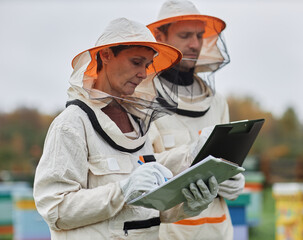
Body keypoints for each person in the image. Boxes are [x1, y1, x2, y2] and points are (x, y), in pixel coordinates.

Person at [33, 17, 221, 240]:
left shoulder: (137, 122)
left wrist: (188, 204)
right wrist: (121, 191)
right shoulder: (72, 124)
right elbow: (55, 209)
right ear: (106, 55)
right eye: (136, 62)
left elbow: (147, 209)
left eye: (147, 65)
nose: (143, 73)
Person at [146, 1, 245, 239]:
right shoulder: (142, 97)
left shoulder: (217, 101)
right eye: (185, 35)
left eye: (200, 36)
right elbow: (143, 169)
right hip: (169, 233)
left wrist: (233, 179)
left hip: (218, 230)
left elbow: (227, 160)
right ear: (160, 37)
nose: (195, 45)